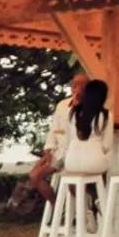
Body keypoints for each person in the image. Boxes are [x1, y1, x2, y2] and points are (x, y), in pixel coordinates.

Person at [25, 74, 86, 206]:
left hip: (77, 155)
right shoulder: (62, 105)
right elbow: (54, 129)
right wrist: (48, 151)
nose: (76, 88)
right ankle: (57, 207)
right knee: (34, 176)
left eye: (81, 85)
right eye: (74, 84)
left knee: (73, 186)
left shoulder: (91, 108)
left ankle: (86, 210)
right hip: (59, 153)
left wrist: (78, 106)